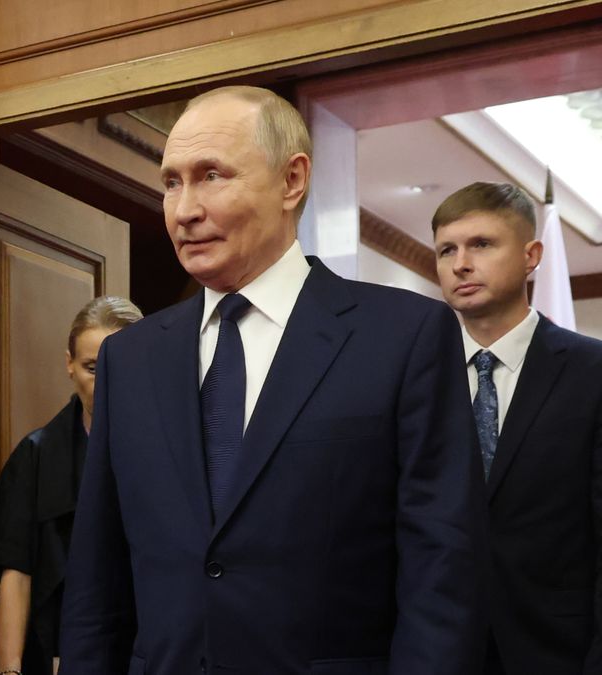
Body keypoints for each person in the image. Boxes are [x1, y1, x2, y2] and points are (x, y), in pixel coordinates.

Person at [57, 86, 487, 674]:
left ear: (292, 181)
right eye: (171, 182)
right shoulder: (129, 360)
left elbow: (442, 575)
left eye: (211, 175)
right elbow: (96, 579)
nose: (183, 210)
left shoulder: (404, 337)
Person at [432, 181, 602, 674]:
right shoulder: (414, 378)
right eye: (447, 250)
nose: (461, 263)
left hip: (557, 653)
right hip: (439, 651)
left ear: (531, 256)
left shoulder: (592, 373)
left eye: (481, 244)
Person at [0, 296, 143, 675]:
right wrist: (9, 671)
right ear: (69, 366)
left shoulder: (174, 448)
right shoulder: (35, 456)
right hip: (56, 649)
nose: (105, 381)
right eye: (92, 367)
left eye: (119, 366)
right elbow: (16, 574)